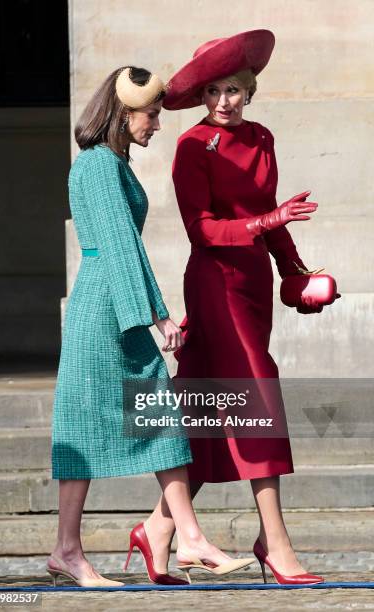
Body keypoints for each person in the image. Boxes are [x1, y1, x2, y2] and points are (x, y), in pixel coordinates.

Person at [47, 65, 254, 587]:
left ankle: (184, 536)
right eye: (151, 113)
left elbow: (127, 247)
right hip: (105, 308)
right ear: (123, 112)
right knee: (91, 421)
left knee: (154, 412)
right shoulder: (98, 165)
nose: (157, 124)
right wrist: (157, 314)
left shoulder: (112, 164)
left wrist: (151, 309)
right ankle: (73, 549)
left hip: (117, 300)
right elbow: (119, 246)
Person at [146, 30, 340, 585]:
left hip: (253, 287)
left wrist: (297, 276)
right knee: (257, 397)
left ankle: (156, 529)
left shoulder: (261, 138)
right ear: (202, 97)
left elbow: (272, 218)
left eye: (233, 89)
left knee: (208, 411)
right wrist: (267, 222)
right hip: (215, 284)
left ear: (249, 91)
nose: (223, 101)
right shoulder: (190, 147)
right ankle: (274, 543)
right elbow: (203, 230)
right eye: (213, 91)